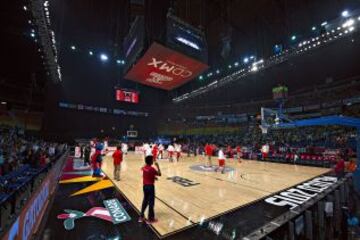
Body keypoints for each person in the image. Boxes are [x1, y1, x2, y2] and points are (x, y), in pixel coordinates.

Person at [139, 155, 161, 224]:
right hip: (150, 187)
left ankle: (141, 217)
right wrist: (157, 166)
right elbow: (160, 174)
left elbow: (145, 173)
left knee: (145, 201)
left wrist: (153, 177)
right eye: (152, 160)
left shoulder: (144, 167)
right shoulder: (152, 169)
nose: (153, 161)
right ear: (150, 161)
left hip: (145, 186)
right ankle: (150, 219)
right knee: (151, 202)